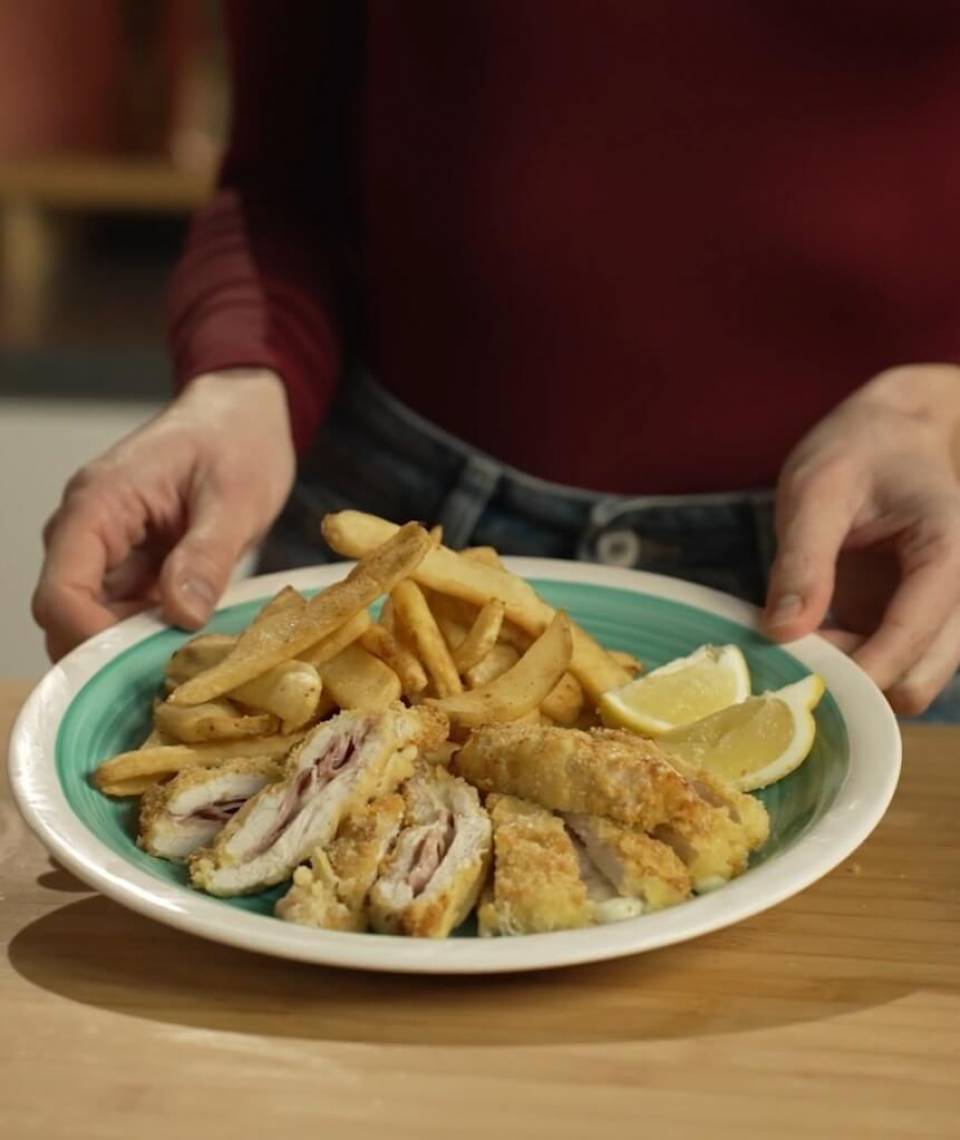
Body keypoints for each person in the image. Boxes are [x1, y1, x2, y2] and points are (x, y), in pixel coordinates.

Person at [32, 2, 960, 717]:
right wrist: (239, 379)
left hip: (881, 568)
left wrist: (942, 412)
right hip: (384, 552)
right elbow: (283, 178)